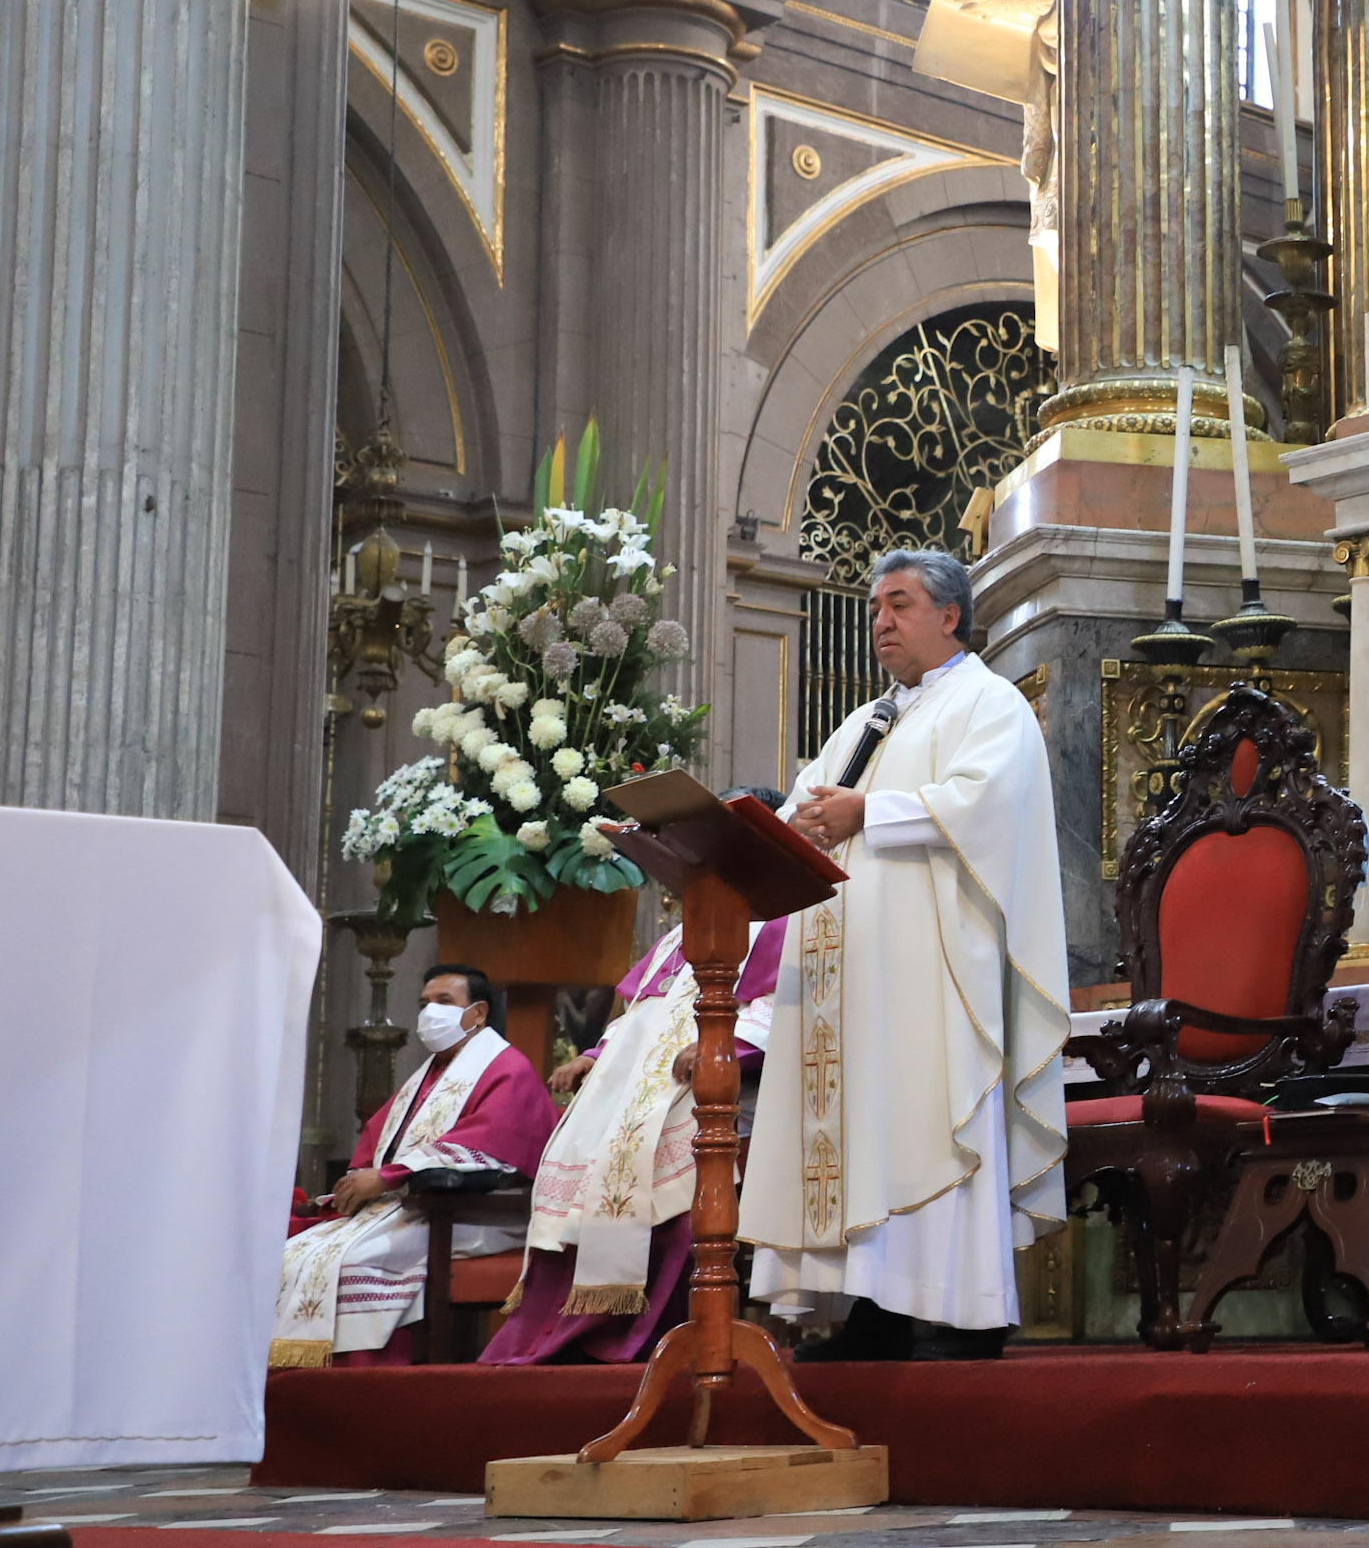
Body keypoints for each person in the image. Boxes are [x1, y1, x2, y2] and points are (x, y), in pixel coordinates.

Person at [739, 549, 1070, 1362]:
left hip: (935, 970)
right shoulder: (869, 720)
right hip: (855, 973)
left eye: (898, 605)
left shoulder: (989, 703)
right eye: (875, 609)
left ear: (949, 616)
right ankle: (878, 1309)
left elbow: (983, 804)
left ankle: (970, 1310)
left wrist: (867, 814)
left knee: (929, 1119)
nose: (880, 622)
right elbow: (809, 809)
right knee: (872, 1134)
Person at [481, 841, 789, 1368]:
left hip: (711, 1089)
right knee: (587, 1158)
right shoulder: (680, 933)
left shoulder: (778, 924)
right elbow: (640, 1014)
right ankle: (550, 1331)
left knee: (660, 1176)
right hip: (638, 1090)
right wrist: (591, 1055)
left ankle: (632, 1336)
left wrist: (723, 1044)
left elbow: (782, 1006)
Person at [271, 965, 558, 1367]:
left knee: (355, 1263)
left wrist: (388, 1178)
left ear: (477, 1013)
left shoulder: (508, 1071)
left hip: (475, 1214)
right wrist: (358, 1182)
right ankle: (296, 1387)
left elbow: (488, 1148)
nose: (430, 1013)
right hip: (419, 1207)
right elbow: (378, 1137)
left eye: (444, 1002)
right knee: (290, 1255)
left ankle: (367, 1387)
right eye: (424, 1003)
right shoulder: (431, 1074)